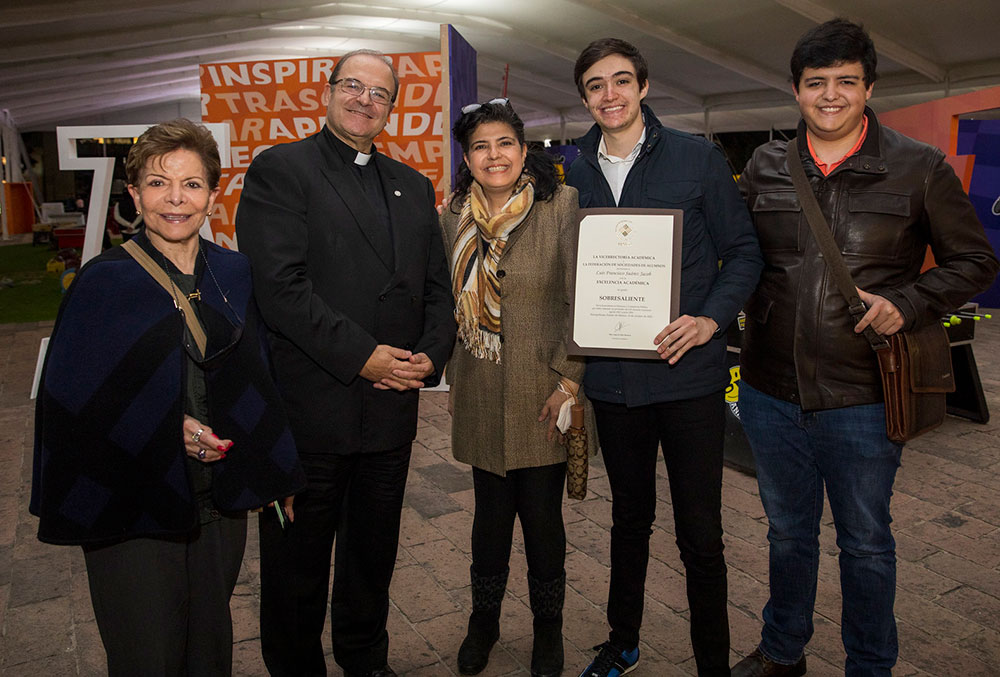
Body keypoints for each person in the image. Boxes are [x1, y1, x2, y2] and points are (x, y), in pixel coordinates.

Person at [732, 19, 999, 677]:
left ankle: (870, 664)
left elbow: (974, 259)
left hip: (864, 395)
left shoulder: (919, 166)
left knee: (867, 543)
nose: (830, 95)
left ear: (868, 86)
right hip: (768, 391)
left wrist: (906, 303)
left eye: (845, 82)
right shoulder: (766, 166)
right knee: (787, 533)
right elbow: (739, 256)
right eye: (815, 82)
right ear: (795, 90)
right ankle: (782, 648)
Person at [30, 118, 305, 676]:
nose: (175, 199)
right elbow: (70, 412)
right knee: (147, 654)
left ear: (213, 192)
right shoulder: (103, 283)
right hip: (132, 499)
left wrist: (275, 470)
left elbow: (258, 374)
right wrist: (162, 429)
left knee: (210, 648)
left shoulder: (233, 271)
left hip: (218, 497)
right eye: (158, 184)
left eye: (192, 184)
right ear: (133, 194)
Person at [235, 49, 456, 677]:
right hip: (313, 411)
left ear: (392, 107)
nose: (365, 100)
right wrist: (365, 358)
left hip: (390, 413)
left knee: (372, 555)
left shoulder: (413, 186)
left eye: (379, 93)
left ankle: (365, 660)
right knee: (295, 563)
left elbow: (436, 291)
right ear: (327, 93)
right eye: (352, 87)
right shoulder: (282, 170)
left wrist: (429, 359)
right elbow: (280, 288)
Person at [565, 37, 763, 677]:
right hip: (614, 383)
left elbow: (745, 254)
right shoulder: (571, 172)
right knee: (628, 522)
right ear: (585, 98)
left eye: (622, 80)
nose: (610, 94)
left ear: (644, 87)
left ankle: (712, 663)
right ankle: (623, 642)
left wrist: (710, 320)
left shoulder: (697, 158)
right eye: (596, 85)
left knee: (701, 536)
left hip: (688, 381)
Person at [441, 100, 588, 677]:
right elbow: (449, 304)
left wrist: (569, 379)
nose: (493, 155)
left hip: (544, 389)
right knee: (488, 520)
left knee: (543, 520)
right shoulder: (452, 215)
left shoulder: (562, 207)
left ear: (524, 151)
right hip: (479, 388)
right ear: (468, 158)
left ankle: (548, 631)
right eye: (480, 146)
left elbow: (583, 299)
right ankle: (485, 622)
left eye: (504, 143)